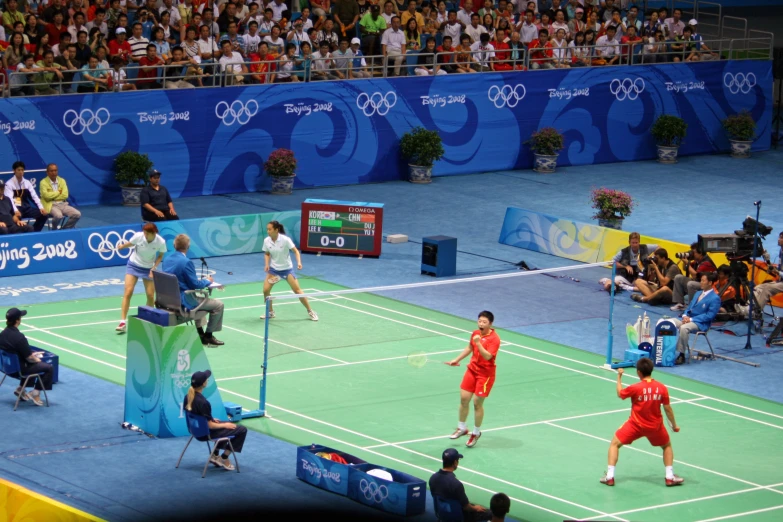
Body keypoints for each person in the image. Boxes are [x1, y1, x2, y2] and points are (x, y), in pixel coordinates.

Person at [600, 358, 683, 487]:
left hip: (635, 425)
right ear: (651, 370)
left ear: (639, 372)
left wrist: (619, 377)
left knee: (614, 444)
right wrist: (674, 425)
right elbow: (668, 409)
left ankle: (610, 477)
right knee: (666, 446)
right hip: (655, 427)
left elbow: (620, 393)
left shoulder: (635, 388)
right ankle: (669, 477)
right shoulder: (662, 388)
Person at [446, 311, 500, 448]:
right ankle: (462, 428)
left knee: (477, 403)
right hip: (472, 370)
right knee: (464, 399)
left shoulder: (494, 339)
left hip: (485, 374)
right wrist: (456, 359)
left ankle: (476, 433)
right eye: (479, 321)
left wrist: (479, 343)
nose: (481, 324)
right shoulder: (475, 333)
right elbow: (470, 347)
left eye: (484, 322)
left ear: (490, 324)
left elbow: (488, 356)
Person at [162, 234, 225, 347]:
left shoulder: (167, 259)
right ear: (188, 247)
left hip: (168, 298)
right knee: (218, 305)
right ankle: (208, 335)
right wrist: (208, 281)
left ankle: (200, 334)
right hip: (183, 300)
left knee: (200, 302)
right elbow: (195, 284)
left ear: (174, 245)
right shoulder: (186, 262)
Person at [184, 370, 246, 470]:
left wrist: (210, 419)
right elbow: (211, 426)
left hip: (194, 430)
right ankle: (223, 458)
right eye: (206, 379)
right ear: (204, 383)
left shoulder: (187, 397)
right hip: (205, 434)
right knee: (241, 429)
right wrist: (224, 425)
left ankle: (214, 455)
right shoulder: (204, 402)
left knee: (225, 423)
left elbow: (197, 415)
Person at [115, 223, 167, 333]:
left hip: (148, 268)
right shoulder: (139, 236)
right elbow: (131, 243)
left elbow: (161, 255)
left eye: (147, 233)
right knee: (128, 292)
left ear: (153, 233)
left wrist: (154, 268)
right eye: (144, 232)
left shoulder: (160, 242)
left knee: (150, 295)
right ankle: (122, 322)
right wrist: (122, 246)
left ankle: (147, 320)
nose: (145, 235)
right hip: (133, 265)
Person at [261, 221, 318, 321]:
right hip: (274, 270)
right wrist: (266, 264)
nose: (268, 231)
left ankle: (310, 311)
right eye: (267, 229)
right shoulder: (266, 241)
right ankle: (270, 312)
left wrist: (299, 262)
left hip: (287, 269)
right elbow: (267, 253)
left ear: (276, 229)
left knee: (298, 291)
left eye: (270, 229)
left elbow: (296, 251)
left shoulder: (285, 240)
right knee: (266, 291)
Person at [0, 308, 54, 407]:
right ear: (17, 320)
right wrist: (38, 359)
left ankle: (20, 389)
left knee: (29, 364)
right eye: (20, 317)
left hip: (5, 368)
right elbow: (29, 358)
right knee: (47, 368)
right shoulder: (20, 337)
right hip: (18, 371)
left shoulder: (2, 334)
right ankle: (35, 393)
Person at [429, 448, 491, 521]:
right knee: (490, 513)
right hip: (457, 516)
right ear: (455, 462)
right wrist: (475, 508)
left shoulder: (432, 478)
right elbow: (466, 507)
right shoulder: (456, 484)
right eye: (458, 460)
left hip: (442, 513)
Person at [675, 272, 721, 365]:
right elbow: (689, 307)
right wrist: (685, 316)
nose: (701, 282)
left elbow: (709, 316)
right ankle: (662, 350)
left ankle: (681, 355)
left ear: (710, 283)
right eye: (701, 280)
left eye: (703, 281)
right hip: (688, 319)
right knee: (668, 322)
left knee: (684, 328)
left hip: (701, 324)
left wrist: (691, 320)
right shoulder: (698, 293)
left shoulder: (715, 298)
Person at [670, 242, 716, 311]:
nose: (692, 254)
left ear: (700, 253)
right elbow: (685, 268)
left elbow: (695, 275)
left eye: (693, 252)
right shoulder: (697, 261)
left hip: (708, 287)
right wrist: (685, 260)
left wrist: (687, 263)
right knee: (678, 277)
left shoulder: (706, 263)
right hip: (699, 283)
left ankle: (692, 307)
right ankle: (680, 304)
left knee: (691, 284)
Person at [4, 161, 49, 232]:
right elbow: (9, 200)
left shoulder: (27, 183)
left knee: (44, 215)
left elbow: (34, 196)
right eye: (18, 170)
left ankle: (34, 232)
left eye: (22, 170)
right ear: (14, 171)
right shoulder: (9, 184)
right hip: (16, 209)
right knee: (15, 219)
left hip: (26, 208)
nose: (21, 172)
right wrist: (15, 210)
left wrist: (41, 207)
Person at [38, 163, 81, 229]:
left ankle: (64, 230)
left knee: (77, 214)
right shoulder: (43, 182)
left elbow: (65, 195)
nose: (54, 172)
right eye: (51, 171)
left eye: (55, 170)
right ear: (47, 172)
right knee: (58, 216)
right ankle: (54, 230)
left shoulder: (62, 181)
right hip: (51, 205)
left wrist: (52, 196)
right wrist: (58, 192)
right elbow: (46, 196)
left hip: (63, 204)